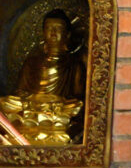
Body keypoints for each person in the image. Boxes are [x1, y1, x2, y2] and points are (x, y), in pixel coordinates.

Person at [0, 9, 85, 145]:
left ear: (67, 34)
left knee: (78, 107)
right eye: (49, 28)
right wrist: (30, 100)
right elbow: (20, 91)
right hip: (32, 106)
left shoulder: (74, 64)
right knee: (6, 102)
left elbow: (78, 98)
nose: (53, 33)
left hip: (58, 109)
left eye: (58, 29)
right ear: (43, 33)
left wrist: (57, 103)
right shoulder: (31, 62)